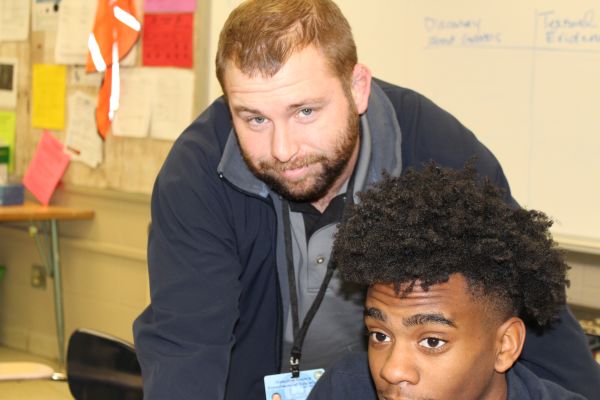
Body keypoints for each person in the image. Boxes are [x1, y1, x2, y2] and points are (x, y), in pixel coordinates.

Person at [132, 0, 600, 399]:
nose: (282, 149)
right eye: (253, 119)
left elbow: (526, 309)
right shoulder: (197, 174)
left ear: (357, 87)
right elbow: (184, 345)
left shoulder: (438, 151)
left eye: (305, 111)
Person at [307, 163, 590, 400]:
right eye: (380, 335)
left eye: (432, 341)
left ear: (504, 346)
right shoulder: (345, 389)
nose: (392, 371)